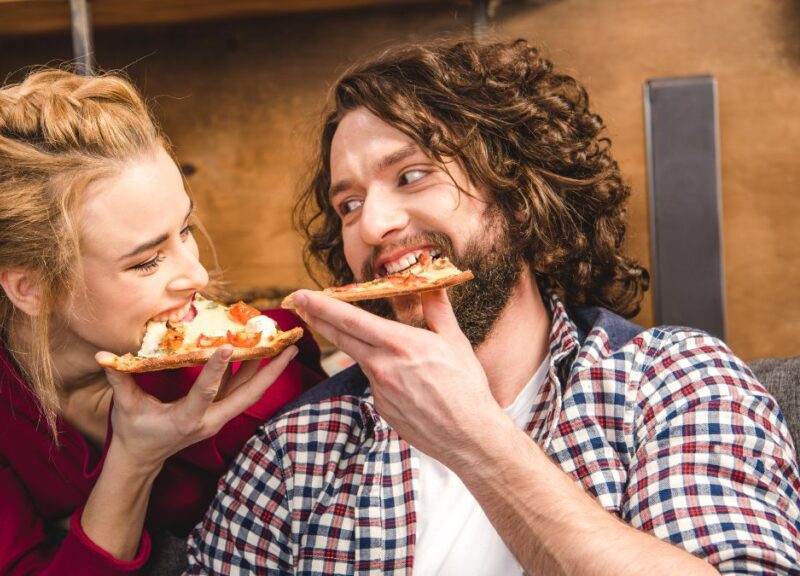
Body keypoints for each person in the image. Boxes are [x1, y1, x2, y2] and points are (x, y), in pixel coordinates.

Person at [186, 38, 800, 574]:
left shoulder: (675, 382)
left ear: (519, 198)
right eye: (348, 204)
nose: (371, 224)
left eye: (412, 175)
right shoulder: (295, 450)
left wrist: (475, 437)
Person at [0, 68, 325, 575]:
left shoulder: (241, 365)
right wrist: (132, 462)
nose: (196, 274)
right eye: (146, 261)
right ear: (31, 287)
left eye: (186, 229)